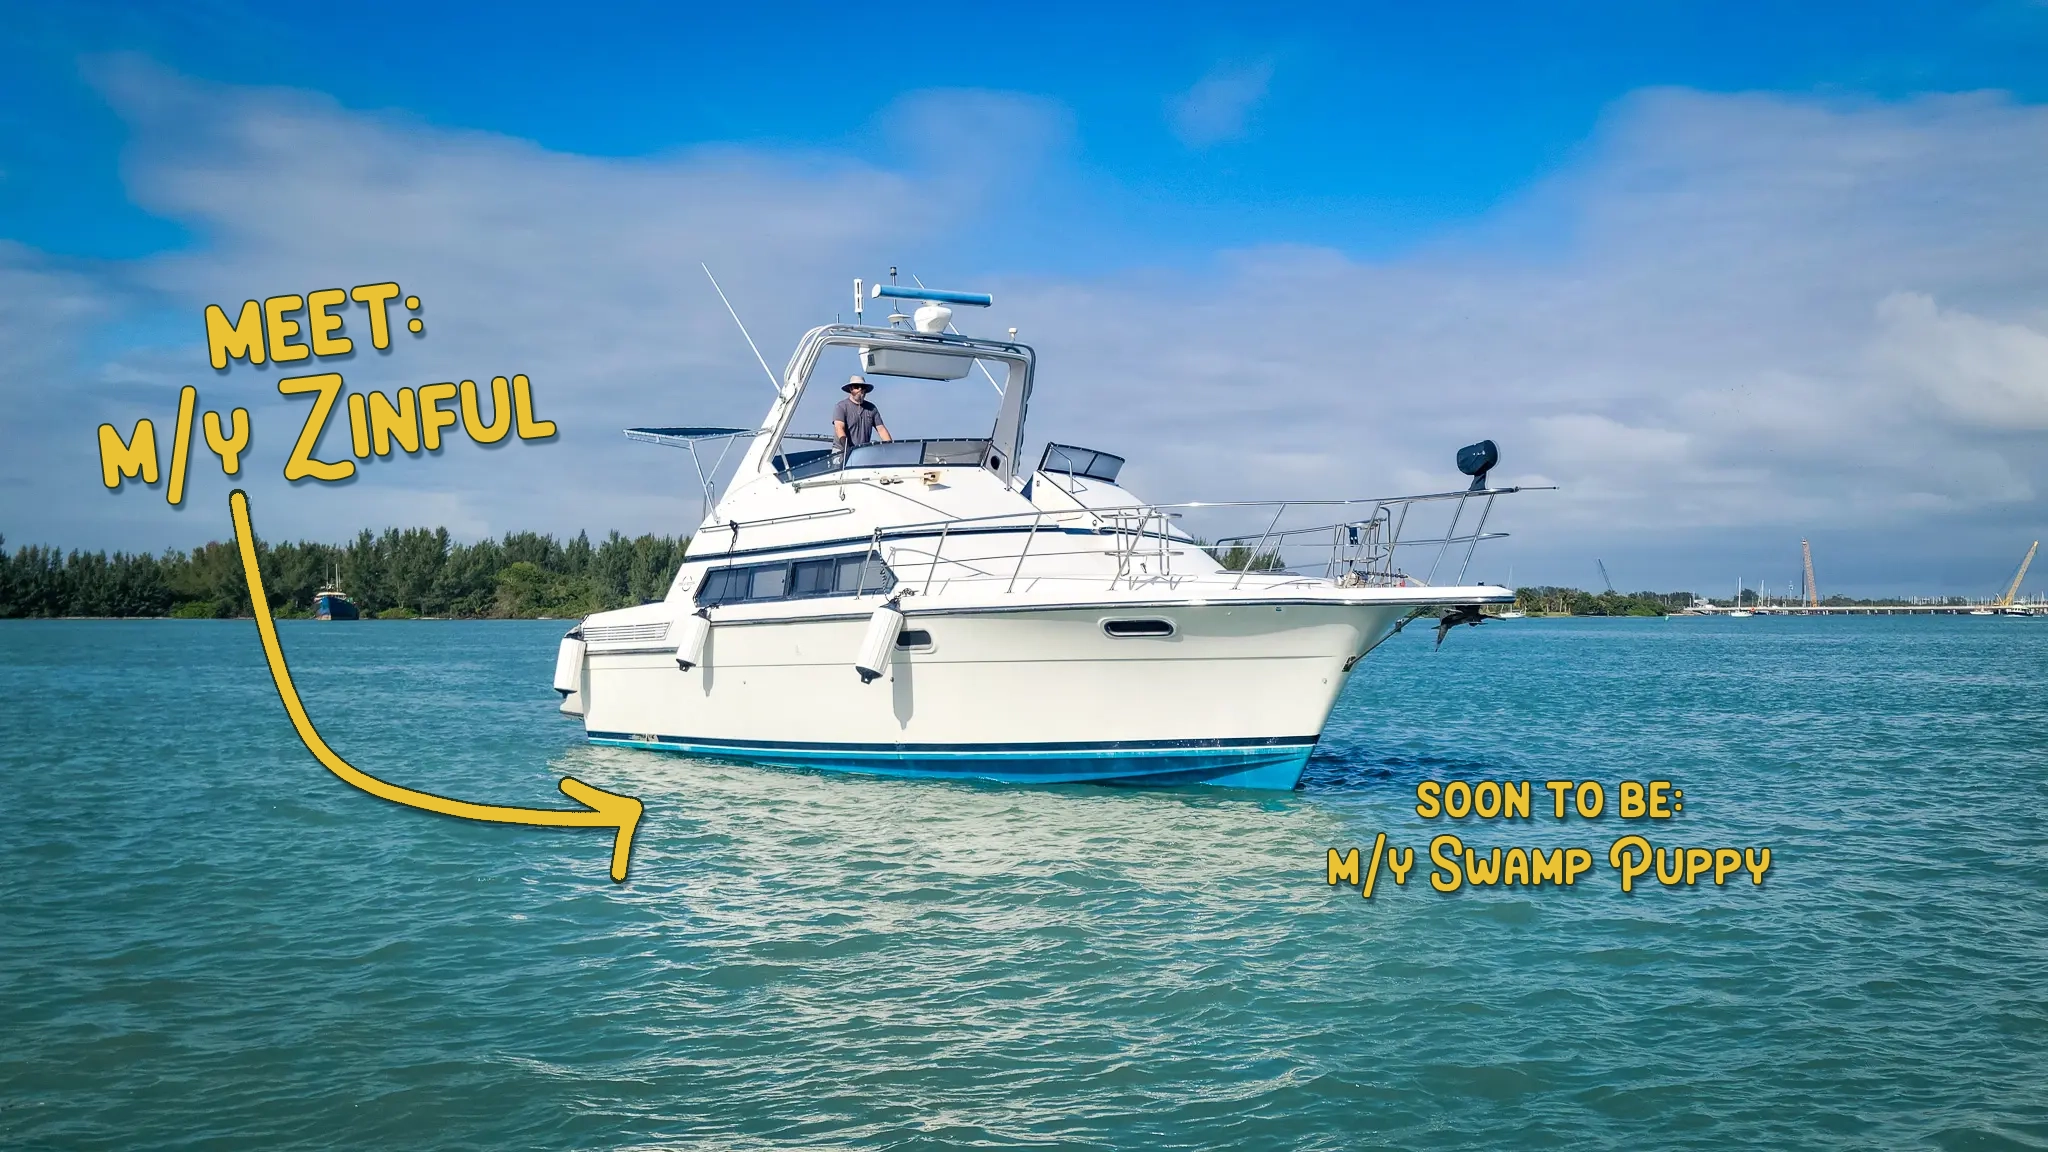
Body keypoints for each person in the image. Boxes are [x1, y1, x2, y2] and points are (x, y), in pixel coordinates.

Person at [832, 376, 891, 452]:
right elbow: (839, 428)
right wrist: (846, 447)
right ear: (851, 389)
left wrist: (890, 448)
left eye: (862, 387)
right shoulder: (841, 406)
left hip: (862, 452)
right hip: (841, 451)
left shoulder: (872, 408)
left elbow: (881, 430)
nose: (860, 390)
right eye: (856, 387)